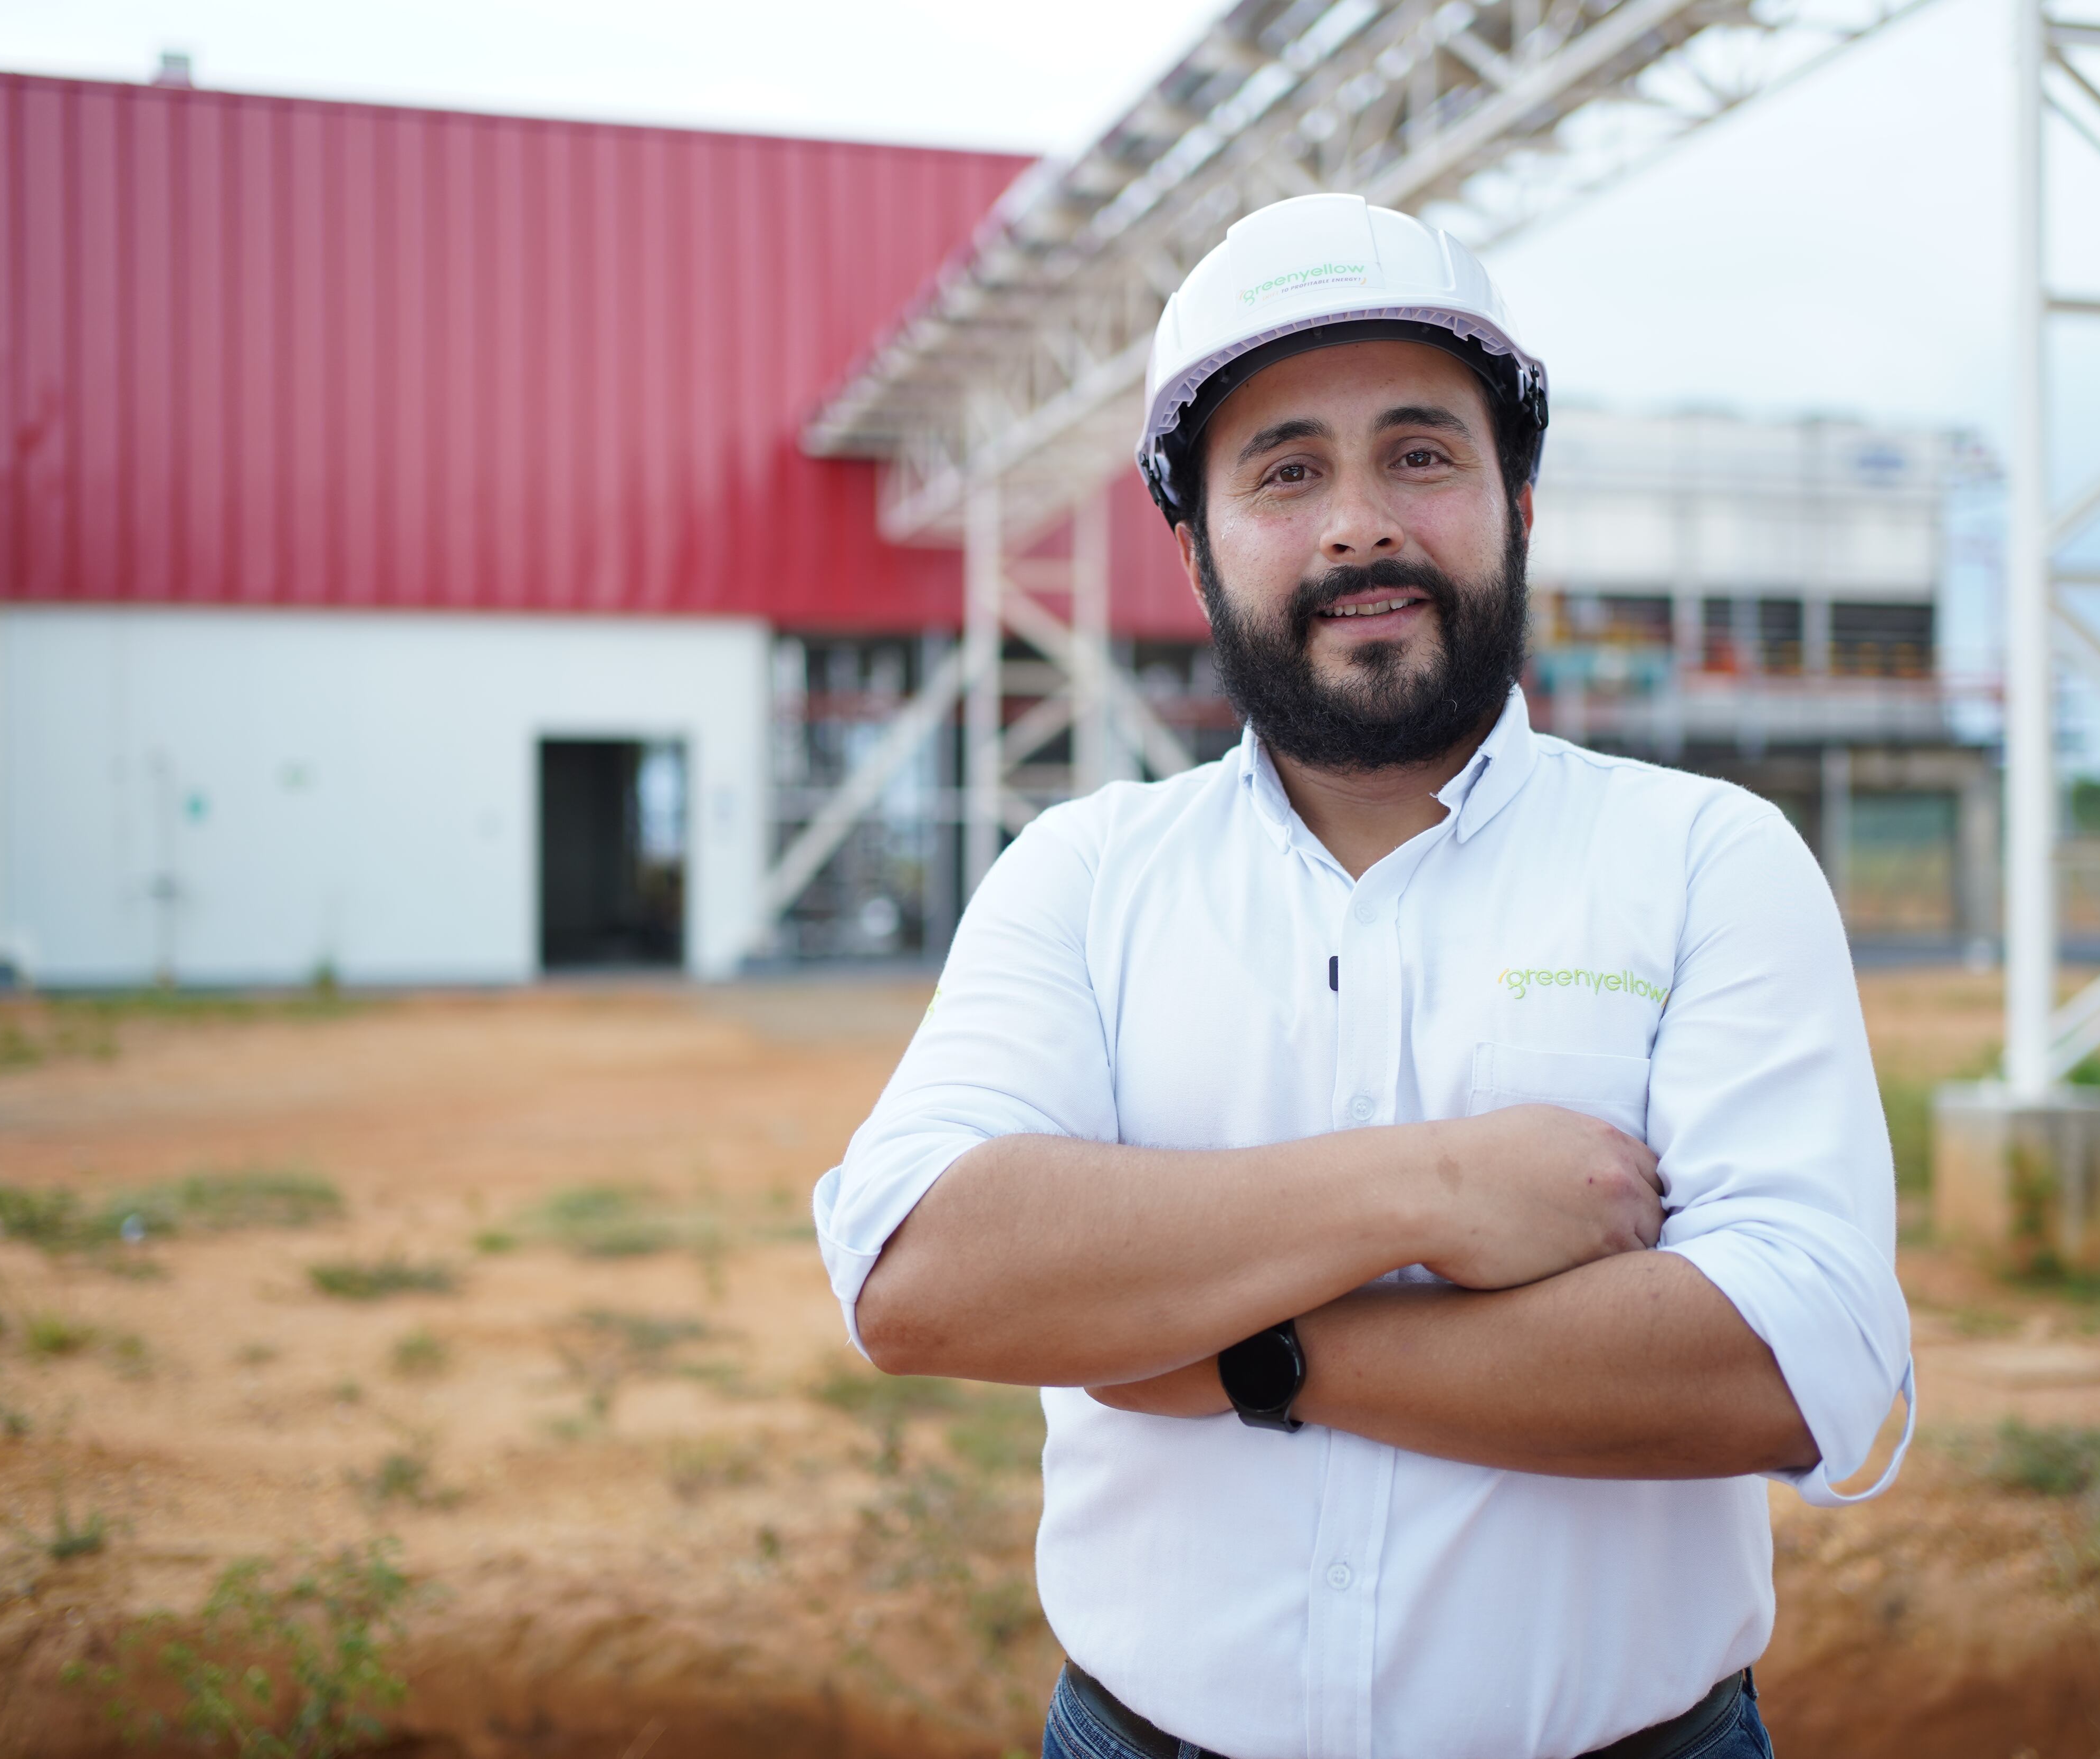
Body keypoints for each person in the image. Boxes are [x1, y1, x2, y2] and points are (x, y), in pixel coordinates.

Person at [813, 192, 1913, 1759]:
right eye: (1286, 472)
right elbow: (920, 1276)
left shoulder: (1707, 861)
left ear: (1517, 499)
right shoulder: (1084, 876)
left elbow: (1795, 1366)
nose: (1358, 523)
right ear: (1193, 545)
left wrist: (1247, 1356)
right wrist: (1436, 1190)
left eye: (1420, 453)